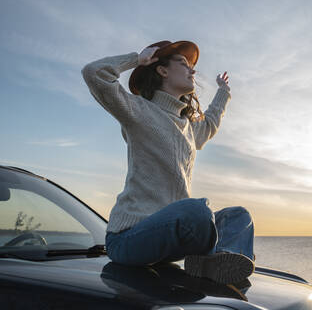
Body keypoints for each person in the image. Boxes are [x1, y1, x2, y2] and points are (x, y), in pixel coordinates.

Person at [81, 40, 255, 284]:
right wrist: (136, 59)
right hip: (127, 239)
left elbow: (211, 122)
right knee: (197, 210)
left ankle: (218, 261)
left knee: (239, 216)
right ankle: (210, 258)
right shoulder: (138, 111)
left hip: (169, 241)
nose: (192, 70)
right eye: (183, 63)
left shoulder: (188, 128)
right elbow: (94, 73)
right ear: (162, 70)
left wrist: (223, 92)